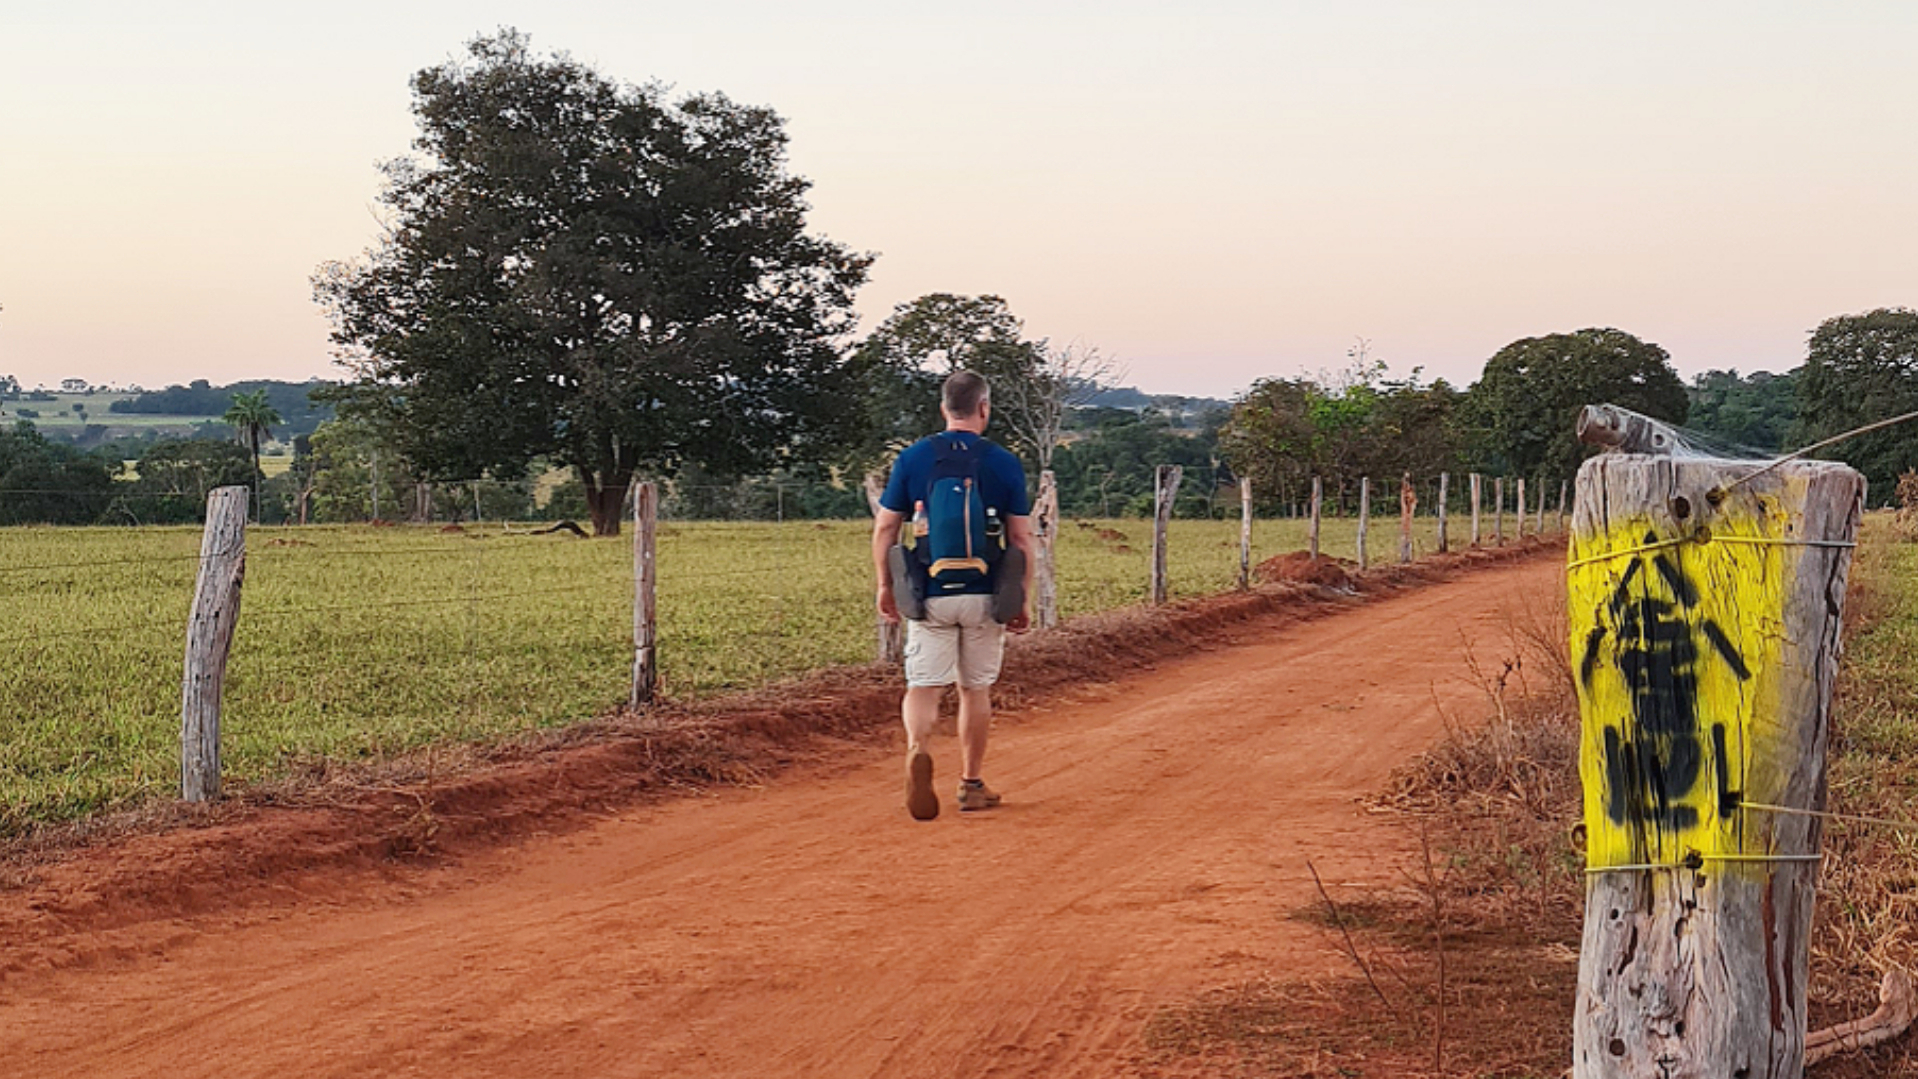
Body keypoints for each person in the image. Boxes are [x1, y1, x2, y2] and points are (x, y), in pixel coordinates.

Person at [872, 371, 1035, 820]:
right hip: (985, 594)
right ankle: (971, 784)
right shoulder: (1002, 462)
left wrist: (886, 585)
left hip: (929, 594)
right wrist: (1021, 596)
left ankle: (918, 747)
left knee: (923, 686)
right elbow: (1021, 538)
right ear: (984, 407)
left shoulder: (913, 458)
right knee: (974, 689)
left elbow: (886, 528)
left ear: (944, 408)